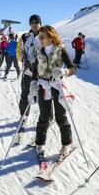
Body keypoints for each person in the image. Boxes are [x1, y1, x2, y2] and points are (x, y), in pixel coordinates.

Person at [29, 25, 76, 161]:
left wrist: (65, 71)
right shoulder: (38, 51)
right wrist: (33, 82)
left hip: (57, 86)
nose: (40, 39)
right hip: (43, 86)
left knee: (61, 117)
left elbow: (73, 68)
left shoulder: (60, 49)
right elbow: (35, 71)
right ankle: (40, 143)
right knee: (44, 117)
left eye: (42, 37)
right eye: (39, 37)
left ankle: (66, 144)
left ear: (50, 37)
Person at [16, 14, 42, 125]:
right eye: (32, 23)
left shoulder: (46, 35)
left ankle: (46, 118)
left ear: (40, 23)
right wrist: (23, 59)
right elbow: (19, 51)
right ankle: (24, 116)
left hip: (42, 73)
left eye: (36, 22)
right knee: (25, 95)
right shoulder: (25, 37)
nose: (34, 25)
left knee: (44, 97)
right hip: (28, 72)